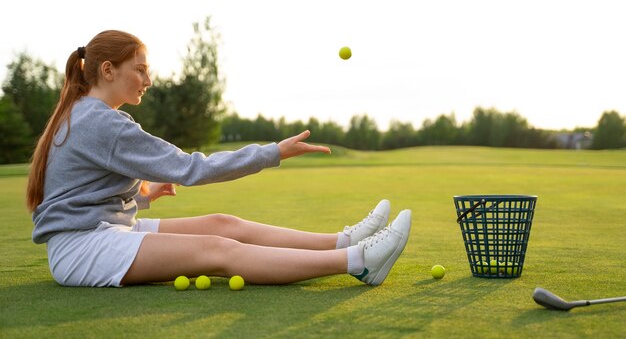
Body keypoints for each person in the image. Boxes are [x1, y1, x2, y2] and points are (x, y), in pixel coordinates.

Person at [26, 30, 412, 288]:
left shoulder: (85, 114)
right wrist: (272, 153)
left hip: (96, 233)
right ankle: (358, 260)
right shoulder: (100, 122)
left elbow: (75, 193)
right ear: (108, 70)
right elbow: (194, 168)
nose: (148, 80)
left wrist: (143, 198)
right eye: (140, 69)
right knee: (217, 250)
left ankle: (342, 240)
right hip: (83, 249)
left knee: (221, 223)